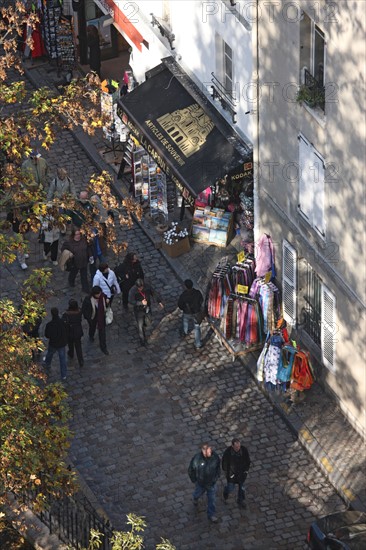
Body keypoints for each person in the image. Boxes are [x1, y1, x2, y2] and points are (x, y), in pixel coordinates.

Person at [188, 443, 220, 523]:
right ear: (203, 451)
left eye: (210, 451)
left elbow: (218, 468)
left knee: (212, 500)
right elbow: (191, 469)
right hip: (201, 483)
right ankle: (195, 498)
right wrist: (194, 480)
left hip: (211, 484)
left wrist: (216, 477)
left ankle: (211, 515)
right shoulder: (197, 459)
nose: (210, 453)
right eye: (208, 452)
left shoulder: (215, 457)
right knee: (198, 493)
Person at [128, 278, 163, 346]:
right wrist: (141, 303)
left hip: (147, 307)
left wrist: (159, 301)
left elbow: (153, 293)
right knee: (140, 326)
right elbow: (130, 301)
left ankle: (145, 324)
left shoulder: (147, 286)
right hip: (139, 310)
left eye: (141, 287)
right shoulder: (132, 291)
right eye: (139, 288)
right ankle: (142, 340)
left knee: (149, 321)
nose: (141, 289)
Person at [61, 227, 93, 293]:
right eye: (76, 234)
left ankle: (85, 289)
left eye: (79, 234)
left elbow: (88, 248)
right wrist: (69, 254)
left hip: (84, 261)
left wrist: (90, 256)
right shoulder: (69, 242)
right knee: (73, 273)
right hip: (74, 263)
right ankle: (71, 281)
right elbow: (63, 250)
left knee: (84, 276)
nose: (78, 236)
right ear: (73, 235)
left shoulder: (84, 239)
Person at [222, 438, 251, 509]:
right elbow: (224, 465)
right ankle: (226, 492)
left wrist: (246, 471)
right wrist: (229, 474)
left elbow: (248, 461)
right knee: (230, 488)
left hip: (241, 474)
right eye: (236, 447)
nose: (238, 448)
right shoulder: (228, 453)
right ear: (232, 446)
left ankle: (241, 500)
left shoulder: (244, 450)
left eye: (239, 446)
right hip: (232, 476)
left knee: (242, 488)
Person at [82, 285, 109, 355]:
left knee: (102, 332)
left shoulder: (103, 296)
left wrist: (107, 302)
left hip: (101, 316)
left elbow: (105, 303)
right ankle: (91, 335)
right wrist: (88, 318)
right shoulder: (88, 300)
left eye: (100, 293)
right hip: (92, 317)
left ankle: (103, 347)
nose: (99, 295)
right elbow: (84, 310)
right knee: (92, 327)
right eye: (98, 294)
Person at [177, 279, 204, 349]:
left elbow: (180, 304)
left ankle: (185, 332)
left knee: (185, 322)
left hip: (187, 313)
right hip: (196, 313)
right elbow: (201, 300)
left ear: (185, 286)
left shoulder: (183, 295)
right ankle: (198, 344)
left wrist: (184, 309)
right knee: (197, 327)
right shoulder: (197, 293)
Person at [43, 307, 68, 381]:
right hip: (61, 343)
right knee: (62, 359)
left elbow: (47, 335)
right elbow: (66, 331)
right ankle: (64, 375)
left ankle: (47, 364)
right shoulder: (62, 322)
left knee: (50, 354)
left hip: (53, 343)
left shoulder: (49, 324)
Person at [62, 299, 84, 367]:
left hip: (70, 331)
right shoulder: (79, 312)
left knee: (70, 344)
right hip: (78, 331)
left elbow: (63, 322)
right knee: (78, 346)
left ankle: (71, 353)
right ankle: (81, 360)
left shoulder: (66, 314)